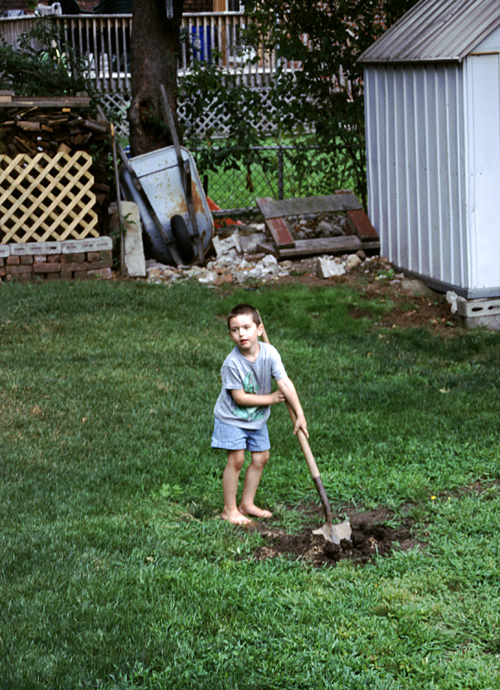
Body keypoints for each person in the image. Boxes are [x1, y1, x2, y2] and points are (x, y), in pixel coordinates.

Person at [212, 303, 308, 525]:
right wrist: (271, 399)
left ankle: (247, 504)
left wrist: (299, 413)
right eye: (235, 330)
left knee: (261, 457)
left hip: (256, 419)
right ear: (230, 334)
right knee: (237, 459)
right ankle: (230, 510)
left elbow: (284, 383)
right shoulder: (232, 363)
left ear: (259, 329)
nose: (241, 334)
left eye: (246, 327)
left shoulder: (270, 353)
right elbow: (239, 397)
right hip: (232, 418)